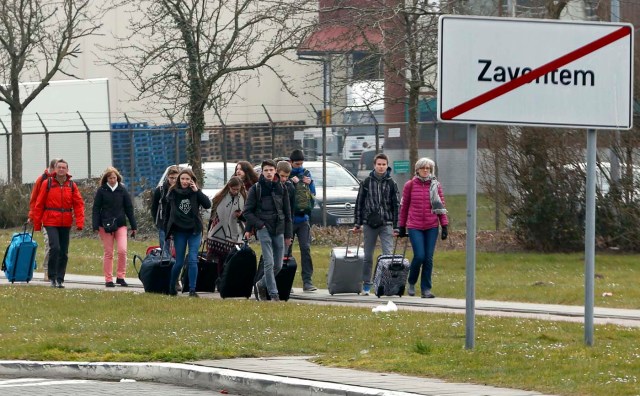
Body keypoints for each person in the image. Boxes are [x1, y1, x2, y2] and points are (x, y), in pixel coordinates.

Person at [398, 158, 448, 299]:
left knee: (428, 258)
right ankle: (412, 281)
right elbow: (404, 207)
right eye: (423, 168)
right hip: (415, 226)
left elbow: (440, 206)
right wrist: (401, 226)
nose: (426, 170)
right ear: (418, 169)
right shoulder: (410, 185)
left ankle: (426, 289)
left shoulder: (435, 186)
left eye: (428, 168)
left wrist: (444, 225)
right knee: (419, 255)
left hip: (431, 226)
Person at [243, 159, 292, 302]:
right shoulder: (256, 188)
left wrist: (288, 234)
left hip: (279, 228)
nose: (269, 173)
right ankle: (274, 294)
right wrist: (259, 225)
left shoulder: (282, 188)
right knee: (269, 263)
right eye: (266, 170)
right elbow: (247, 212)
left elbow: (288, 213)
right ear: (262, 172)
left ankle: (260, 284)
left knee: (278, 265)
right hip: (263, 228)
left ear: (275, 171)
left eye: (271, 170)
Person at [32, 159, 85, 288]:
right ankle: (52, 277)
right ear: (55, 169)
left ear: (67, 170)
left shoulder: (72, 185)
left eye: (64, 167)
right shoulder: (47, 183)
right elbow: (39, 204)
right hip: (50, 221)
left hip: (65, 221)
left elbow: (78, 204)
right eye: (59, 167)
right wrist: (37, 223)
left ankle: (60, 279)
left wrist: (80, 222)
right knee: (54, 247)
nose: (61, 170)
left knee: (64, 252)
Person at [352, 153, 399, 295]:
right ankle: (367, 284)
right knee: (368, 256)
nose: (381, 167)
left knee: (388, 256)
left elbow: (396, 206)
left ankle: (386, 284)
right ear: (374, 165)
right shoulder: (366, 182)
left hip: (386, 223)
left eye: (384, 164)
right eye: (379, 164)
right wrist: (357, 223)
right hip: (369, 223)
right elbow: (359, 203)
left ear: (387, 165)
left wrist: (397, 226)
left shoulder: (392, 183)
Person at [164, 168, 212, 297]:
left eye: (188, 179)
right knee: (179, 262)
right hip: (179, 231)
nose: (185, 181)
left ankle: (192, 289)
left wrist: (197, 191)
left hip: (194, 231)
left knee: (192, 260)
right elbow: (167, 214)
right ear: (179, 180)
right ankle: (171, 286)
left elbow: (207, 205)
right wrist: (167, 231)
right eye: (183, 179)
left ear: (192, 180)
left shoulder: (195, 192)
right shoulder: (173, 192)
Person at [92, 166, 138, 288]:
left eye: (114, 177)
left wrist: (133, 225)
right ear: (106, 179)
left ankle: (120, 277)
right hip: (105, 226)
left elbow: (129, 208)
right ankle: (108, 279)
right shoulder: (102, 191)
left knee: (122, 251)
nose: (112, 180)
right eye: (110, 178)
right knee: (109, 252)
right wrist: (95, 225)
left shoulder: (122, 190)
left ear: (117, 178)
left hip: (120, 225)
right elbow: (96, 208)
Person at [206, 176, 246, 277]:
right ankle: (216, 279)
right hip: (217, 232)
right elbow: (213, 215)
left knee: (231, 259)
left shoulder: (244, 198)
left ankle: (227, 279)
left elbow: (247, 217)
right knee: (217, 258)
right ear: (229, 186)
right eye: (234, 189)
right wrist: (209, 230)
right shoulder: (219, 197)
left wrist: (241, 216)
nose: (236, 191)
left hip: (235, 233)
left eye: (238, 189)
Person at [288, 149, 317, 291]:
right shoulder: (286, 176)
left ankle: (307, 281)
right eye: (296, 164)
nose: (298, 166)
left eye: (301, 163)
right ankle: (287, 281)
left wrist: (309, 184)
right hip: (290, 220)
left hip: (303, 219)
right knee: (287, 251)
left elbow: (313, 196)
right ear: (290, 163)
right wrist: (290, 183)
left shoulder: (306, 174)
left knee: (305, 248)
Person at [28, 158, 58, 282]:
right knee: (49, 243)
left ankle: (56, 270)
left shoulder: (63, 180)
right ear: (53, 167)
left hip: (59, 218)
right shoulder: (42, 179)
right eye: (58, 167)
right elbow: (34, 199)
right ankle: (47, 270)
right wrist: (32, 215)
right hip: (46, 216)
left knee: (58, 246)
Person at [151, 165, 180, 250]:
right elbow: (154, 208)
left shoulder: (182, 190)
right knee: (164, 250)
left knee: (178, 250)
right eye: (171, 178)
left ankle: (176, 262)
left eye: (176, 178)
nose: (174, 180)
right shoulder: (160, 190)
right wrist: (157, 222)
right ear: (167, 177)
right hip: (163, 223)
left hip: (178, 224)